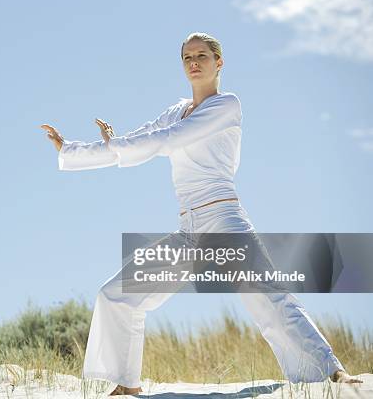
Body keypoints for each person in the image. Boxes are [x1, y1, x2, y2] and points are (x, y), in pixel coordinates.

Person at [39, 32, 362, 395]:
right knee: (116, 295)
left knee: (269, 297)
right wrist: (71, 150)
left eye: (202, 56)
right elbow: (142, 137)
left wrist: (120, 145)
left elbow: (168, 139)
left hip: (223, 219)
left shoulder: (226, 106)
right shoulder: (175, 110)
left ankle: (332, 375)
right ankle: (126, 386)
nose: (194, 62)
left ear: (218, 62)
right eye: (187, 57)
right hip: (187, 230)